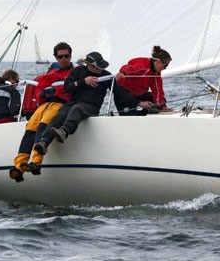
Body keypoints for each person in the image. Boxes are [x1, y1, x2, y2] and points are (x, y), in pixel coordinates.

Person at [33, 51, 147, 159]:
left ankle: (64, 131)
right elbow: (67, 86)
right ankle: (44, 142)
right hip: (74, 101)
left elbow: (120, 93)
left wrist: (138, 103)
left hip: (91, 106)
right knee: (60, 114)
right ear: (89, 65)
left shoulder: (106, 76)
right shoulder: (78, 71)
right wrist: (84, 82)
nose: (101, 69)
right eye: (98, 67)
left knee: (77, 110)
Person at [9, 42, 73, 182]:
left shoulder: (76, 73)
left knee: (44, 125)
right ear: (55, 57)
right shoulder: (50, 75)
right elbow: (39, 92)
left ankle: (36, 162)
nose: (64, 59)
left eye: (66, 56)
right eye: (60, 56)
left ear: (70, 56)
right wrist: (44, 93)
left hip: (60, 104)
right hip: (45, 105)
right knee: (30, 129)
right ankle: (19, 166)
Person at [116, 45, 173, 115]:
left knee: (160, 101)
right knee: (134, 114)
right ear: (158, 61)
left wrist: (162, 106)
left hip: (138, 94)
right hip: (125, 94)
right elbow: (127, 68)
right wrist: (122, 73)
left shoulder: (156, 73)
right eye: (165, 65)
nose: (165, 68)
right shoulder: (142, 66)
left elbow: (157, 90)